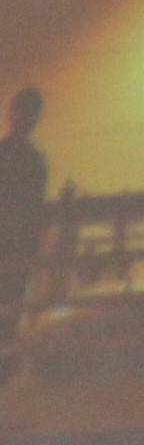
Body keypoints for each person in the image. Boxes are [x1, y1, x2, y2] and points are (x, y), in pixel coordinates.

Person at [0, 87, 46, 378]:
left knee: (9, 310)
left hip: (14, 248)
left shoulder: (22, 157)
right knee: (9, 311)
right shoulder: (33, 160)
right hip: (17, 249)